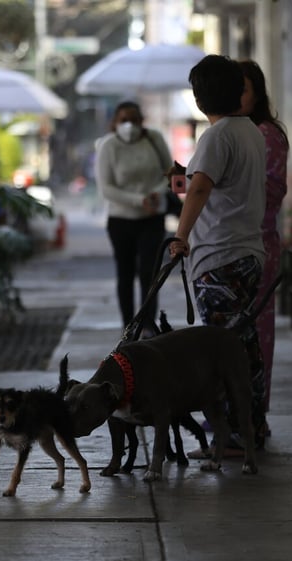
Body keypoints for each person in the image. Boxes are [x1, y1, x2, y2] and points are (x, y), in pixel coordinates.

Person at [168, 55, 269, 449]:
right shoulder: (251, 132)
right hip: (247, 253)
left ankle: (232, 433)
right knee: (243, 346)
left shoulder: (217, 136)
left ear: (199, 98)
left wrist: (180, 236)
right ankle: (252, 426)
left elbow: (200, 188)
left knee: (221, 353)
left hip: (219, 258)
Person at [239, 60, 289, 418]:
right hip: (239, 244)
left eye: (242, 89)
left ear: (257, 93)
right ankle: (239, 413)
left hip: (258, 245)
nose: (235, 97)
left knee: (256, 332)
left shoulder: (266, 134)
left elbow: (272, 190)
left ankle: (253, 415)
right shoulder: (237, 132)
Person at [95, 100, 172, 336]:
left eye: (134, 119)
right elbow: (106, 188)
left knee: (149, 273)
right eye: (123, 120)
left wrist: (155, 194)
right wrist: (140, 200)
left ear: (142, 121)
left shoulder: (154, 140)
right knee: (125, 273)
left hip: (152, 218)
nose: (129, 125)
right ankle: (128, 325)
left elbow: (170, 173)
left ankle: (148, 323)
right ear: (114, 123)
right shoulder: (108, 146)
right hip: (121, 220)